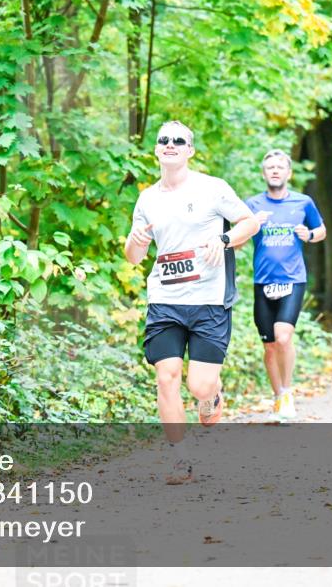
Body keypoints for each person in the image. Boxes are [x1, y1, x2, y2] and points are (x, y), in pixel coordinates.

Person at [126, 120, 259, 484]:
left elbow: (249, 222)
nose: (170, 144)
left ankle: (210, 397)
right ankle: (179, 459)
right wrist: (136, 239)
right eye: (163, 140)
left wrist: (225, 239)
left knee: (198, 385)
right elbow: (134, 257)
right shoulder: (147, 198)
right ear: (156, 150)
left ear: (190, 151)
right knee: (166, 377)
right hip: (165, 300)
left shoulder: (212, 188)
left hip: (209, 301)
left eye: (178, 140)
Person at [244, 149, 325, 422]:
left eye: (280, 167)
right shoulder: (253, 205)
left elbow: (321, 229)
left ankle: (288, 392)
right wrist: (252, 225)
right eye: (270, 167)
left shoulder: (303, 203)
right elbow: (238, 239)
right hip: (262, 281)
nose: (275, 171)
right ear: (264, 173)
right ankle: (278, 395)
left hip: (292, 279)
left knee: (283, 337)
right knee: (269, 346)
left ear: (288, 173)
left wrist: (310, 234)